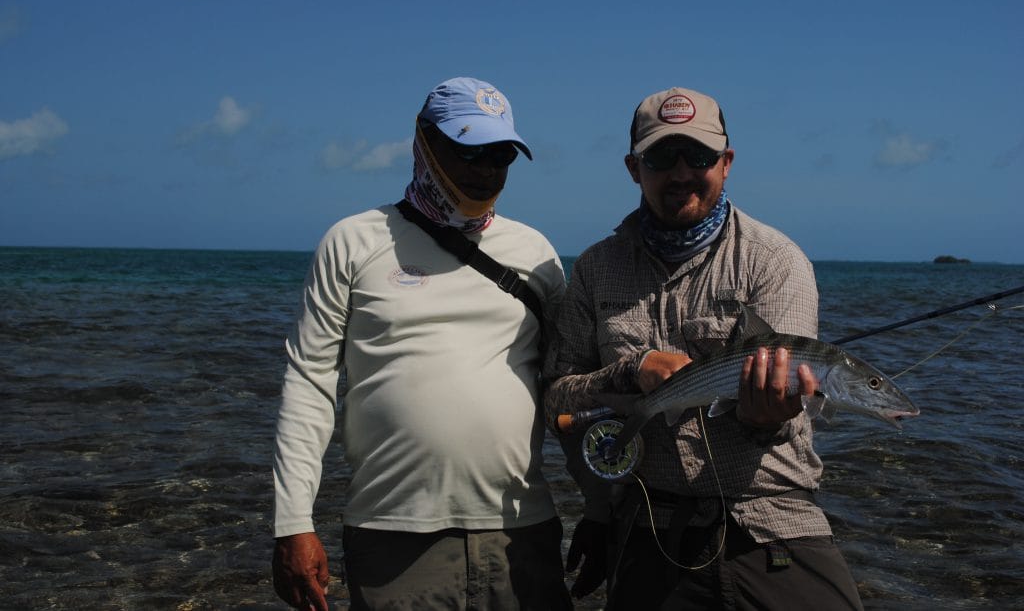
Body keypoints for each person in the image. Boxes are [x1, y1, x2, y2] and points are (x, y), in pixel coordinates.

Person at [543, 87, 864, 610]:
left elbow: (780, 419)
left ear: (727, 162)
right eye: (661, 157)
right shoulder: (596, 270)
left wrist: (768, 414)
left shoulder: (774, 261)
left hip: (769, 518)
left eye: (698, 155)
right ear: (633, 167)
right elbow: (554, 399)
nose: (681, 172)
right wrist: (630, 372)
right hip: (648, 525)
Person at [272, 77, 572, 610]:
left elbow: (570, 389)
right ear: (424, 143)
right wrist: (293, 522)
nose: (485, 169)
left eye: (500, 154)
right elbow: (308, 386)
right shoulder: (353, 241)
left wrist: (601, 506)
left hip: (521, 528)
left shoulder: (537, 254)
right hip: (392, 536)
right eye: (468, 151)